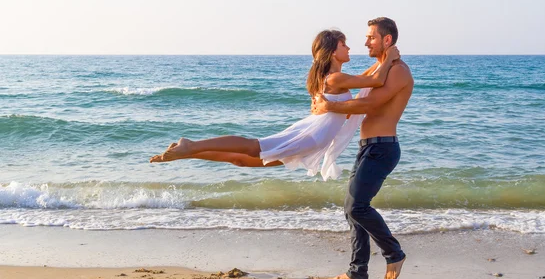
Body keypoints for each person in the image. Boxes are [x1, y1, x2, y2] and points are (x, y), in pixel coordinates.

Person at [150, 30, 400, 181]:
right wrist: (389, 57)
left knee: (246, 161)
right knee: (253, 147)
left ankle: (188, 153)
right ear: (333, 52)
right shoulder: (335, 78)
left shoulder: (334, 77)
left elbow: (369, 75)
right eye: (344, 44)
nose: (349, 47)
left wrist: (382, 62)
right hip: (311, 137)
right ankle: (191, 145)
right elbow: (376, 79)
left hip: (313, 135)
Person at [312, 17, 414, 279]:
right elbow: (364, 83)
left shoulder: (399, 71)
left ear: (387, 40)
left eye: (371, 37)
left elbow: (370, 102)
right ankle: (358, 271)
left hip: (383, 147)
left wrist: (330, 107)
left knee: (357, 205)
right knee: (351, 208)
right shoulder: (383, 66)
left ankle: (394, 253)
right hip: (368, 147)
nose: (366, 41)